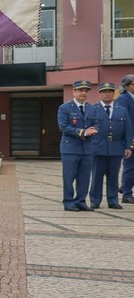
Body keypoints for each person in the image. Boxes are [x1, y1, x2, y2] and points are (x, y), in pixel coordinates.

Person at [89, 82, 133, 209]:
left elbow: (128, 130)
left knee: (113, 177)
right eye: (104, 92)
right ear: (99, 94)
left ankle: (113, 201)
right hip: (98, 148)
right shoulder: (93, 109)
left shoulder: (122, 111)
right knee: (97, 176)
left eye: (110, 91)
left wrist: (128, 147)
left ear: (114, 93)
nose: (107, 94)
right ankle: (95, 200)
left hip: (116, 147)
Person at [57, 80, 100, 211]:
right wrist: (83, 132)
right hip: (70, 149)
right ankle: (68, 202)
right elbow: (63, 126)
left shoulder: (92, 108)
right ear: (73, 91)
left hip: (87, 149)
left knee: (84, 177)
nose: (83, 93)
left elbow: (97, 123)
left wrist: (94, 130)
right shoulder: (65, 108)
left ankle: (81, 201)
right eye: (80, 90)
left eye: (85, 91)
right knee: (69, 177)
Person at [117, 75, 134, 204]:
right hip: (130, 139)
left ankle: (125, 186)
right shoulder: (123, 99)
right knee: (130, 166)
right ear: (126, 86)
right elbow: (121, 121)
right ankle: (127, 194)